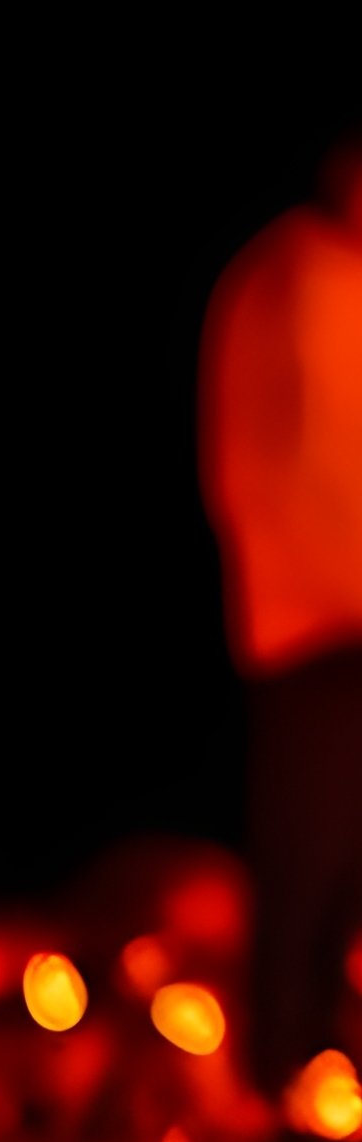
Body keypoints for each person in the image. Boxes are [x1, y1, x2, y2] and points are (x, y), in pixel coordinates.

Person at [201, 134, 362, 1093]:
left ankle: (333, 1050)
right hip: (316, 619)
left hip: (343, 609)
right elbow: (286, 467)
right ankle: (283, 1065)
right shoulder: (291, 279)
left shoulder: (343, 280)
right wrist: (331, 584)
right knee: (311, 840)